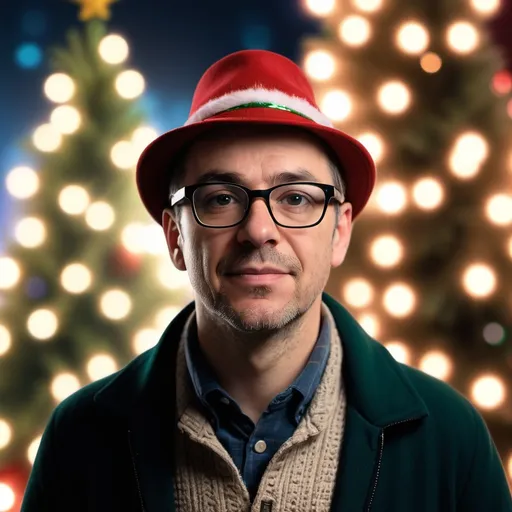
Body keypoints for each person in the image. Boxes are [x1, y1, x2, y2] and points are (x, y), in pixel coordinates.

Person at [21, 49, 512, 512]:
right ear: (174, 235)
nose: (258, 230)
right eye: (220, 198)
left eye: (296, 198)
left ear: (340, 232)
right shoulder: (80, 438)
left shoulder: (451, 439)